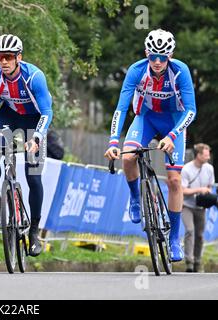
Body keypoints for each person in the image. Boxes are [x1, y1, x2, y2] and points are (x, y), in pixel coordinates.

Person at [104, 29, 197, 262]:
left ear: (170, 55)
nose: (157, 62)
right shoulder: (136, 71)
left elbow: (191, 110)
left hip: (174, 121)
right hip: (145, 117)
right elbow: (121, 108)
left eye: (163, 57)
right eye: (153, 56)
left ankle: (174, 239)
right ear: (147, 52)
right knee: (127, 157)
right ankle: (135, 198)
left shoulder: (180, 71)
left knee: (175, 180)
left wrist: (173, 136)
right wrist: (114, 141)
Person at [0, 34, 53, 257]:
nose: (4, 61)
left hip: (34, 119)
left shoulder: (34, 76)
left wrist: (36, 138)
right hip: (9, 115)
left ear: (19, 57)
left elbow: (47, 111)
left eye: (8, 57)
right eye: (0, 57)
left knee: (33, 176)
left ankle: (34, 232)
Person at [181, 143, 215, 272]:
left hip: (201, 207)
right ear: (198, 155)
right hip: (187, 205)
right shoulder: (186, 169)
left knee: (200, 235)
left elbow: (210, 186)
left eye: (208, 155)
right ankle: (188, 261)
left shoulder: (209, 169)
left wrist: (206, 198)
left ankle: (197, 261)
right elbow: (182, 190)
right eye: (205, 155)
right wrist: (198, 190)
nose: (208, 157)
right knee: (190, 230)